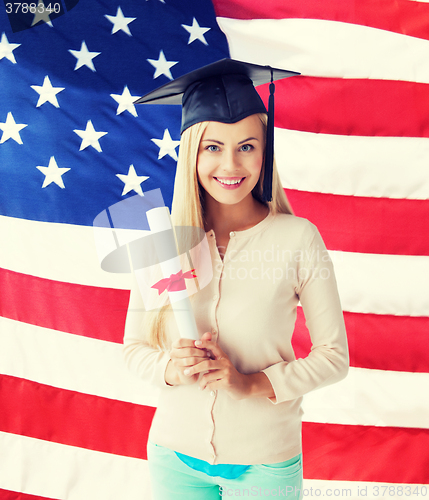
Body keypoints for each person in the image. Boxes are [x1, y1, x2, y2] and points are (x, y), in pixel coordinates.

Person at [123, 59, 349, 500]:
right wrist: (173, 367)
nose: (230, 163)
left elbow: (333, 357)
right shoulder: (163, 239)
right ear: (192, 152)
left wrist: (253, 384)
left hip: (265, 462)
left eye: (247, 146)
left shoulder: (298, 238)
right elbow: (134, 350)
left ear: (265, 152)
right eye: (213, 147)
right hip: (174, 457)